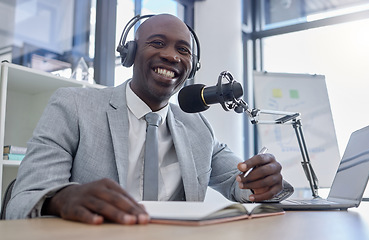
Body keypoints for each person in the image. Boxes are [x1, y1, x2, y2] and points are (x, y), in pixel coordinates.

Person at [6, 14, 291, 225]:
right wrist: (61, 198)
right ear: (129, 55)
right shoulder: (73, 106)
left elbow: (239, 182)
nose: (170, 56)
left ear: (193, 67)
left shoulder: (198, 127)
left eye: (183, 50)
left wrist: (263, 182)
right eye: (157, 43)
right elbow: (22, 200)